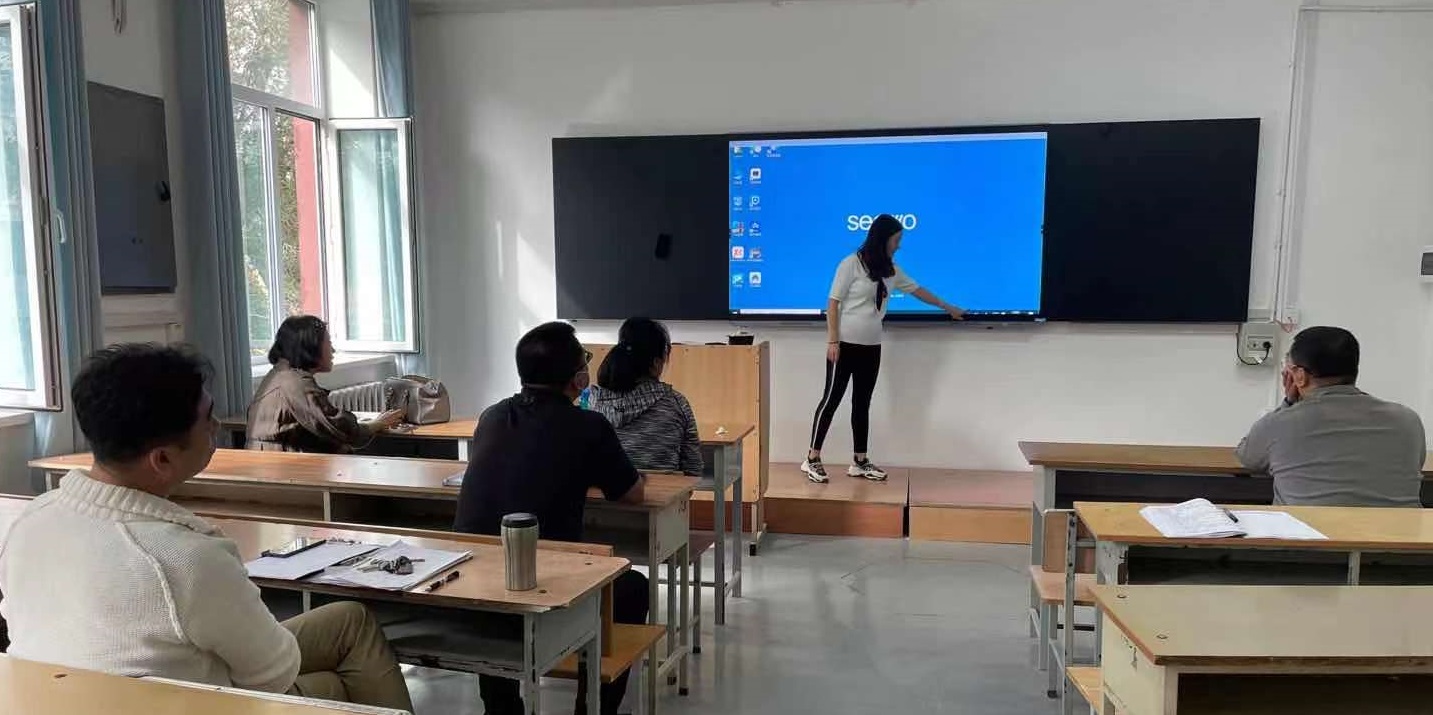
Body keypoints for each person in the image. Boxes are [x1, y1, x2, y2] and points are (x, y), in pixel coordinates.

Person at [0, 344, 412, 710]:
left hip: (63, 697)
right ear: (162, 459)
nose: (216, 428)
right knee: (336, 685)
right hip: (190, 702)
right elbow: (272, 675)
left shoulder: (32, 520)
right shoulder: (186, 558)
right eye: (208, 419)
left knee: (349, 620)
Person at [452, 322, 649, 715]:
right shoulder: (589, 426)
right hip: (545, 588)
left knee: (497, 579)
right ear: (579, 378)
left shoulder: (492, 416)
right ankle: (592, 707)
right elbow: (632, 492)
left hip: (470, 585)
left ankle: (501, 707)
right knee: (633, 588)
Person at [801, 214, 966, 484]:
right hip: (844, 345)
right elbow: (833, 302)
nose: (899, 245)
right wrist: (832, 340)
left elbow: (918, 291)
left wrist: (948, 307)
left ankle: (859, 461)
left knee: (861, 404)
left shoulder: (891, 270)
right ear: (883, 239)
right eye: (896, 240)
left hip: (871, 346)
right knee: (831, 400)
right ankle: (812, 458)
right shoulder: (851, 264)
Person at [1236, 326, 1425, 507]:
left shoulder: (1280, 423)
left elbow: (1248, 457)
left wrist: (1288, 404)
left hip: (1308, 530)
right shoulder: (1407, 420)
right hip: (1398, 530)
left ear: (1299, 376)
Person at [247, 315, 404, 453]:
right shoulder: (295, 383)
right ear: (311, 347)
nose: (333, 350)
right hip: (279, 464)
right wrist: (376, 424)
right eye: (328, 343)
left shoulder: (281, 373)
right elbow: (337, 427)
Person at [590, 318, 703, 476]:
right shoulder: (677, 403)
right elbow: (693, 470)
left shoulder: (591, 402)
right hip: (664, 492)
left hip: (603, 492)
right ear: (656, 363)